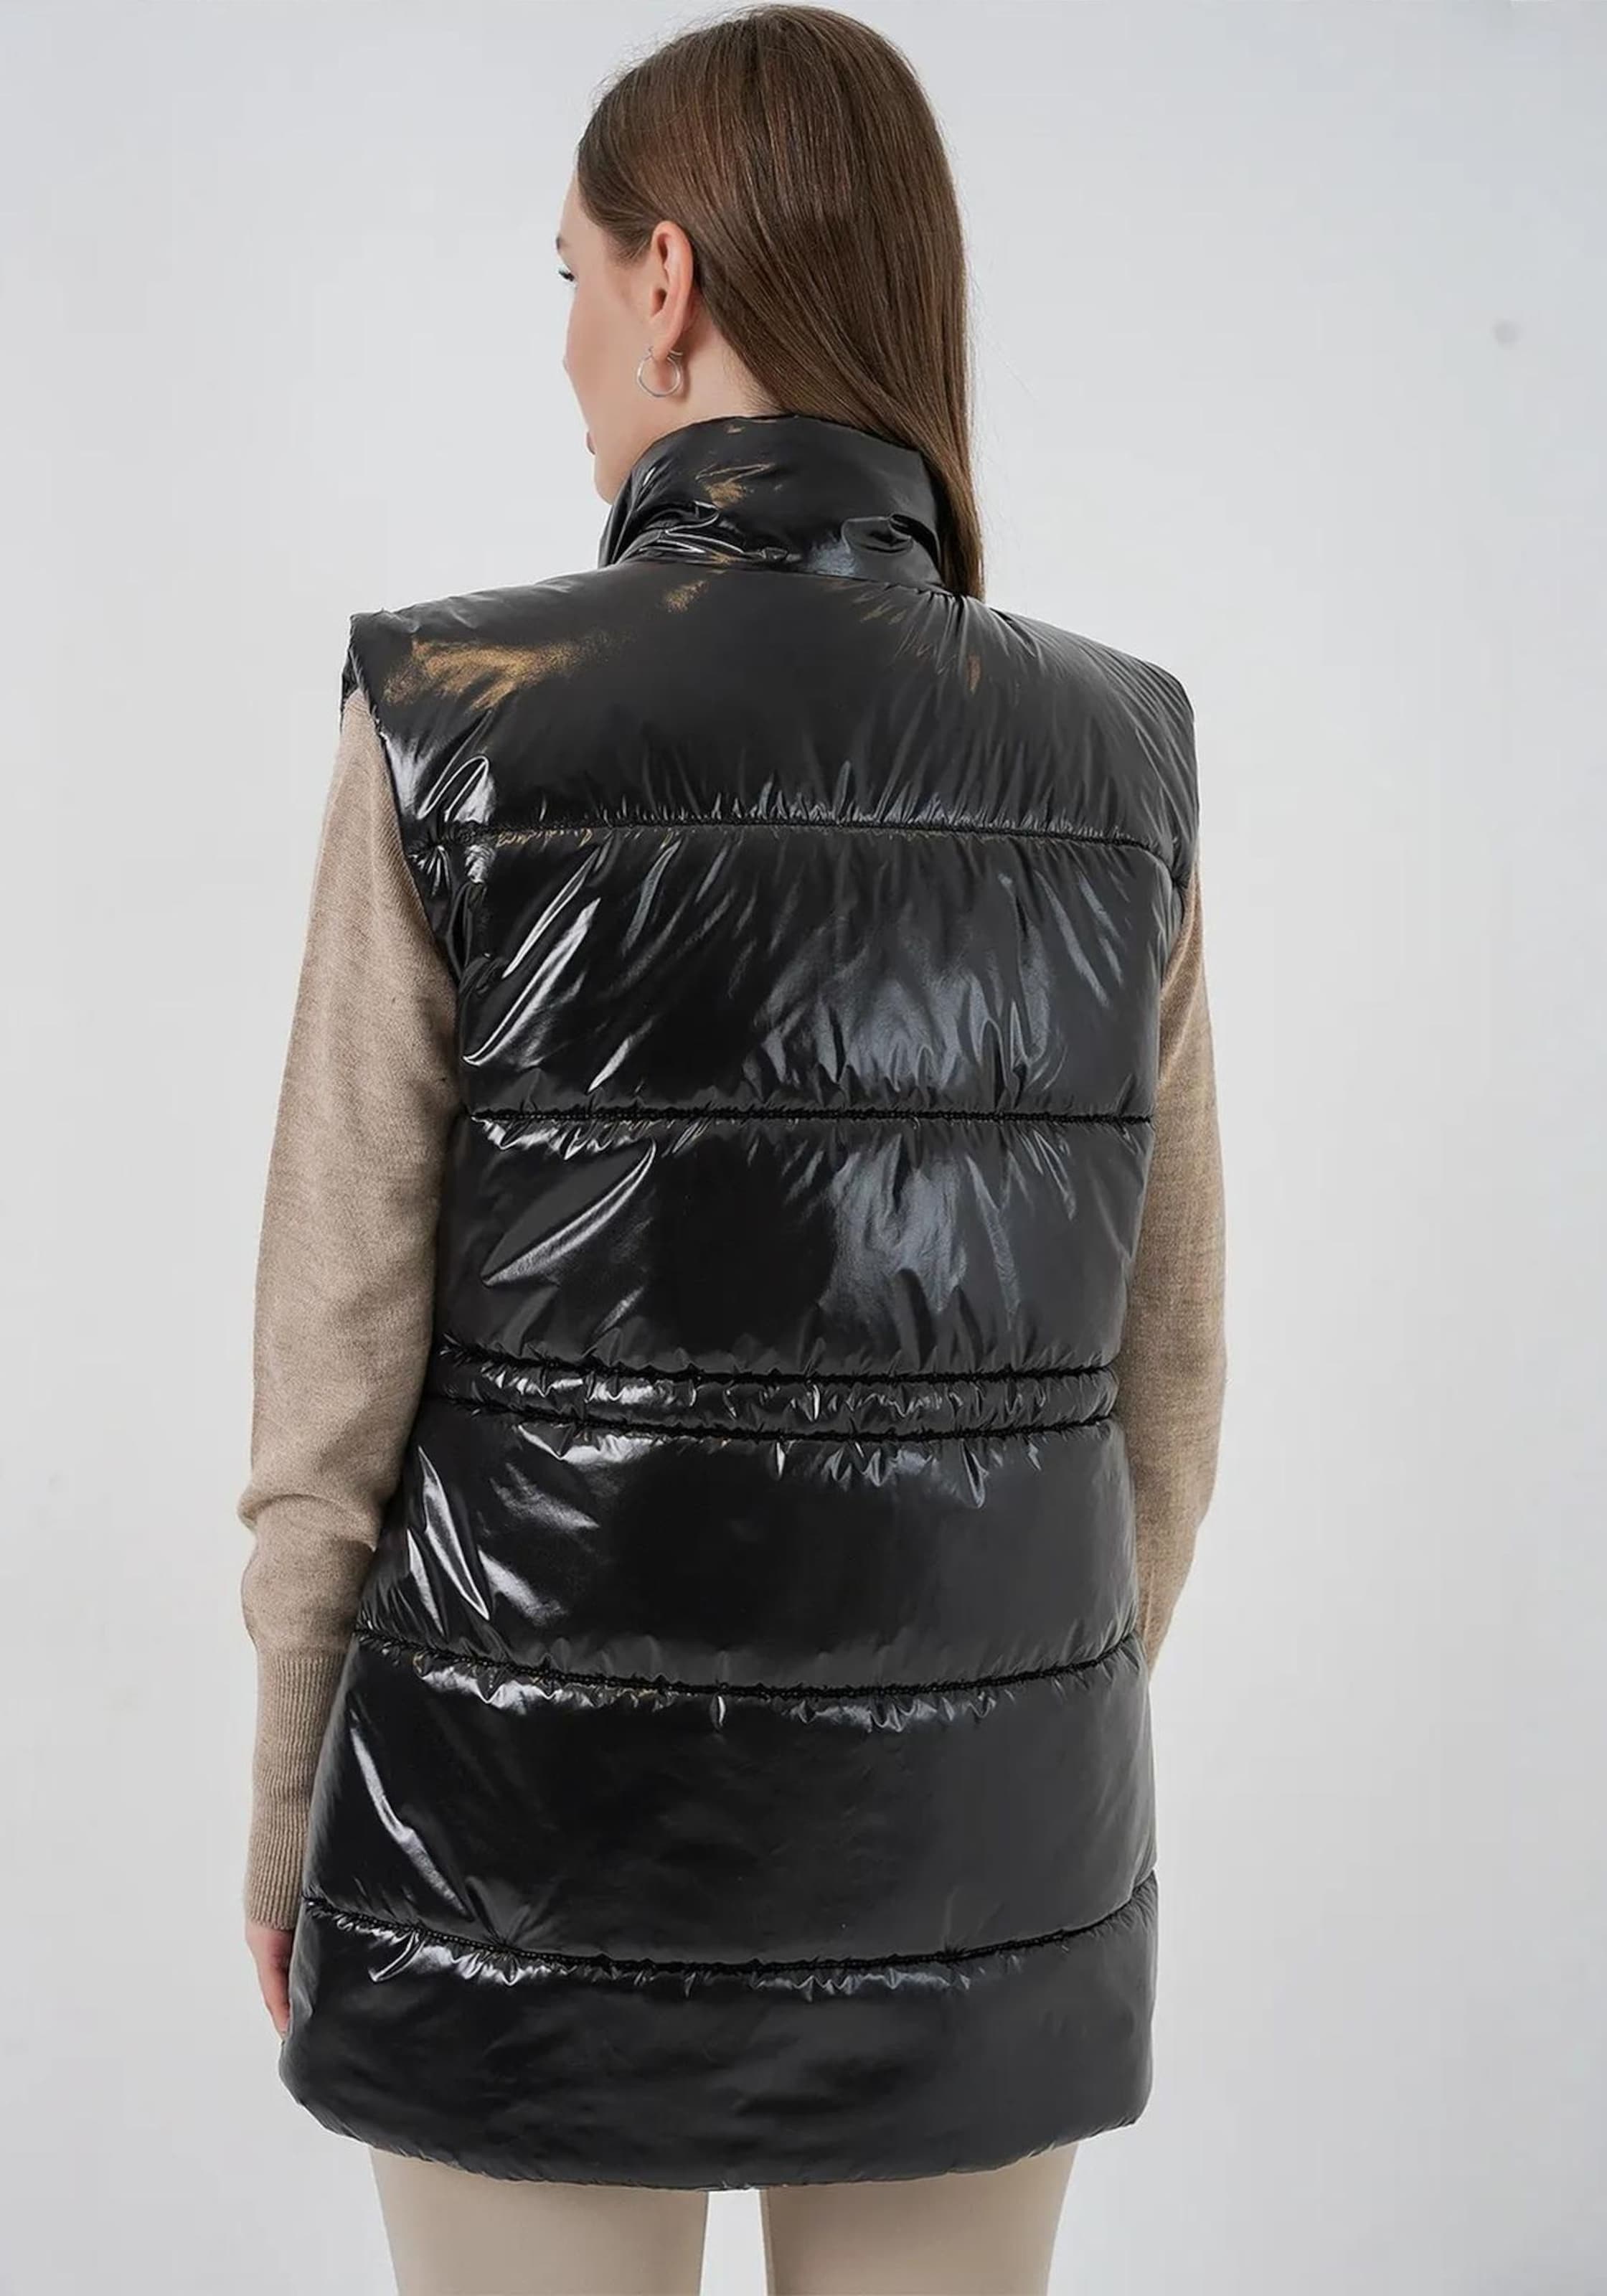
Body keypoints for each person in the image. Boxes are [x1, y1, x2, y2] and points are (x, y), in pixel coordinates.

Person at [235, 6, 1227, 2291]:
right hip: (985, 1863)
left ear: (665, 281)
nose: (572, 348)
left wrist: (295, 1801)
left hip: (510, 1860)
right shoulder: (1121, 763)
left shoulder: (450, 721)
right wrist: (992, 1752)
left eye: (571, 278)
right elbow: (1163, 1387)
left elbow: (331, 1370)